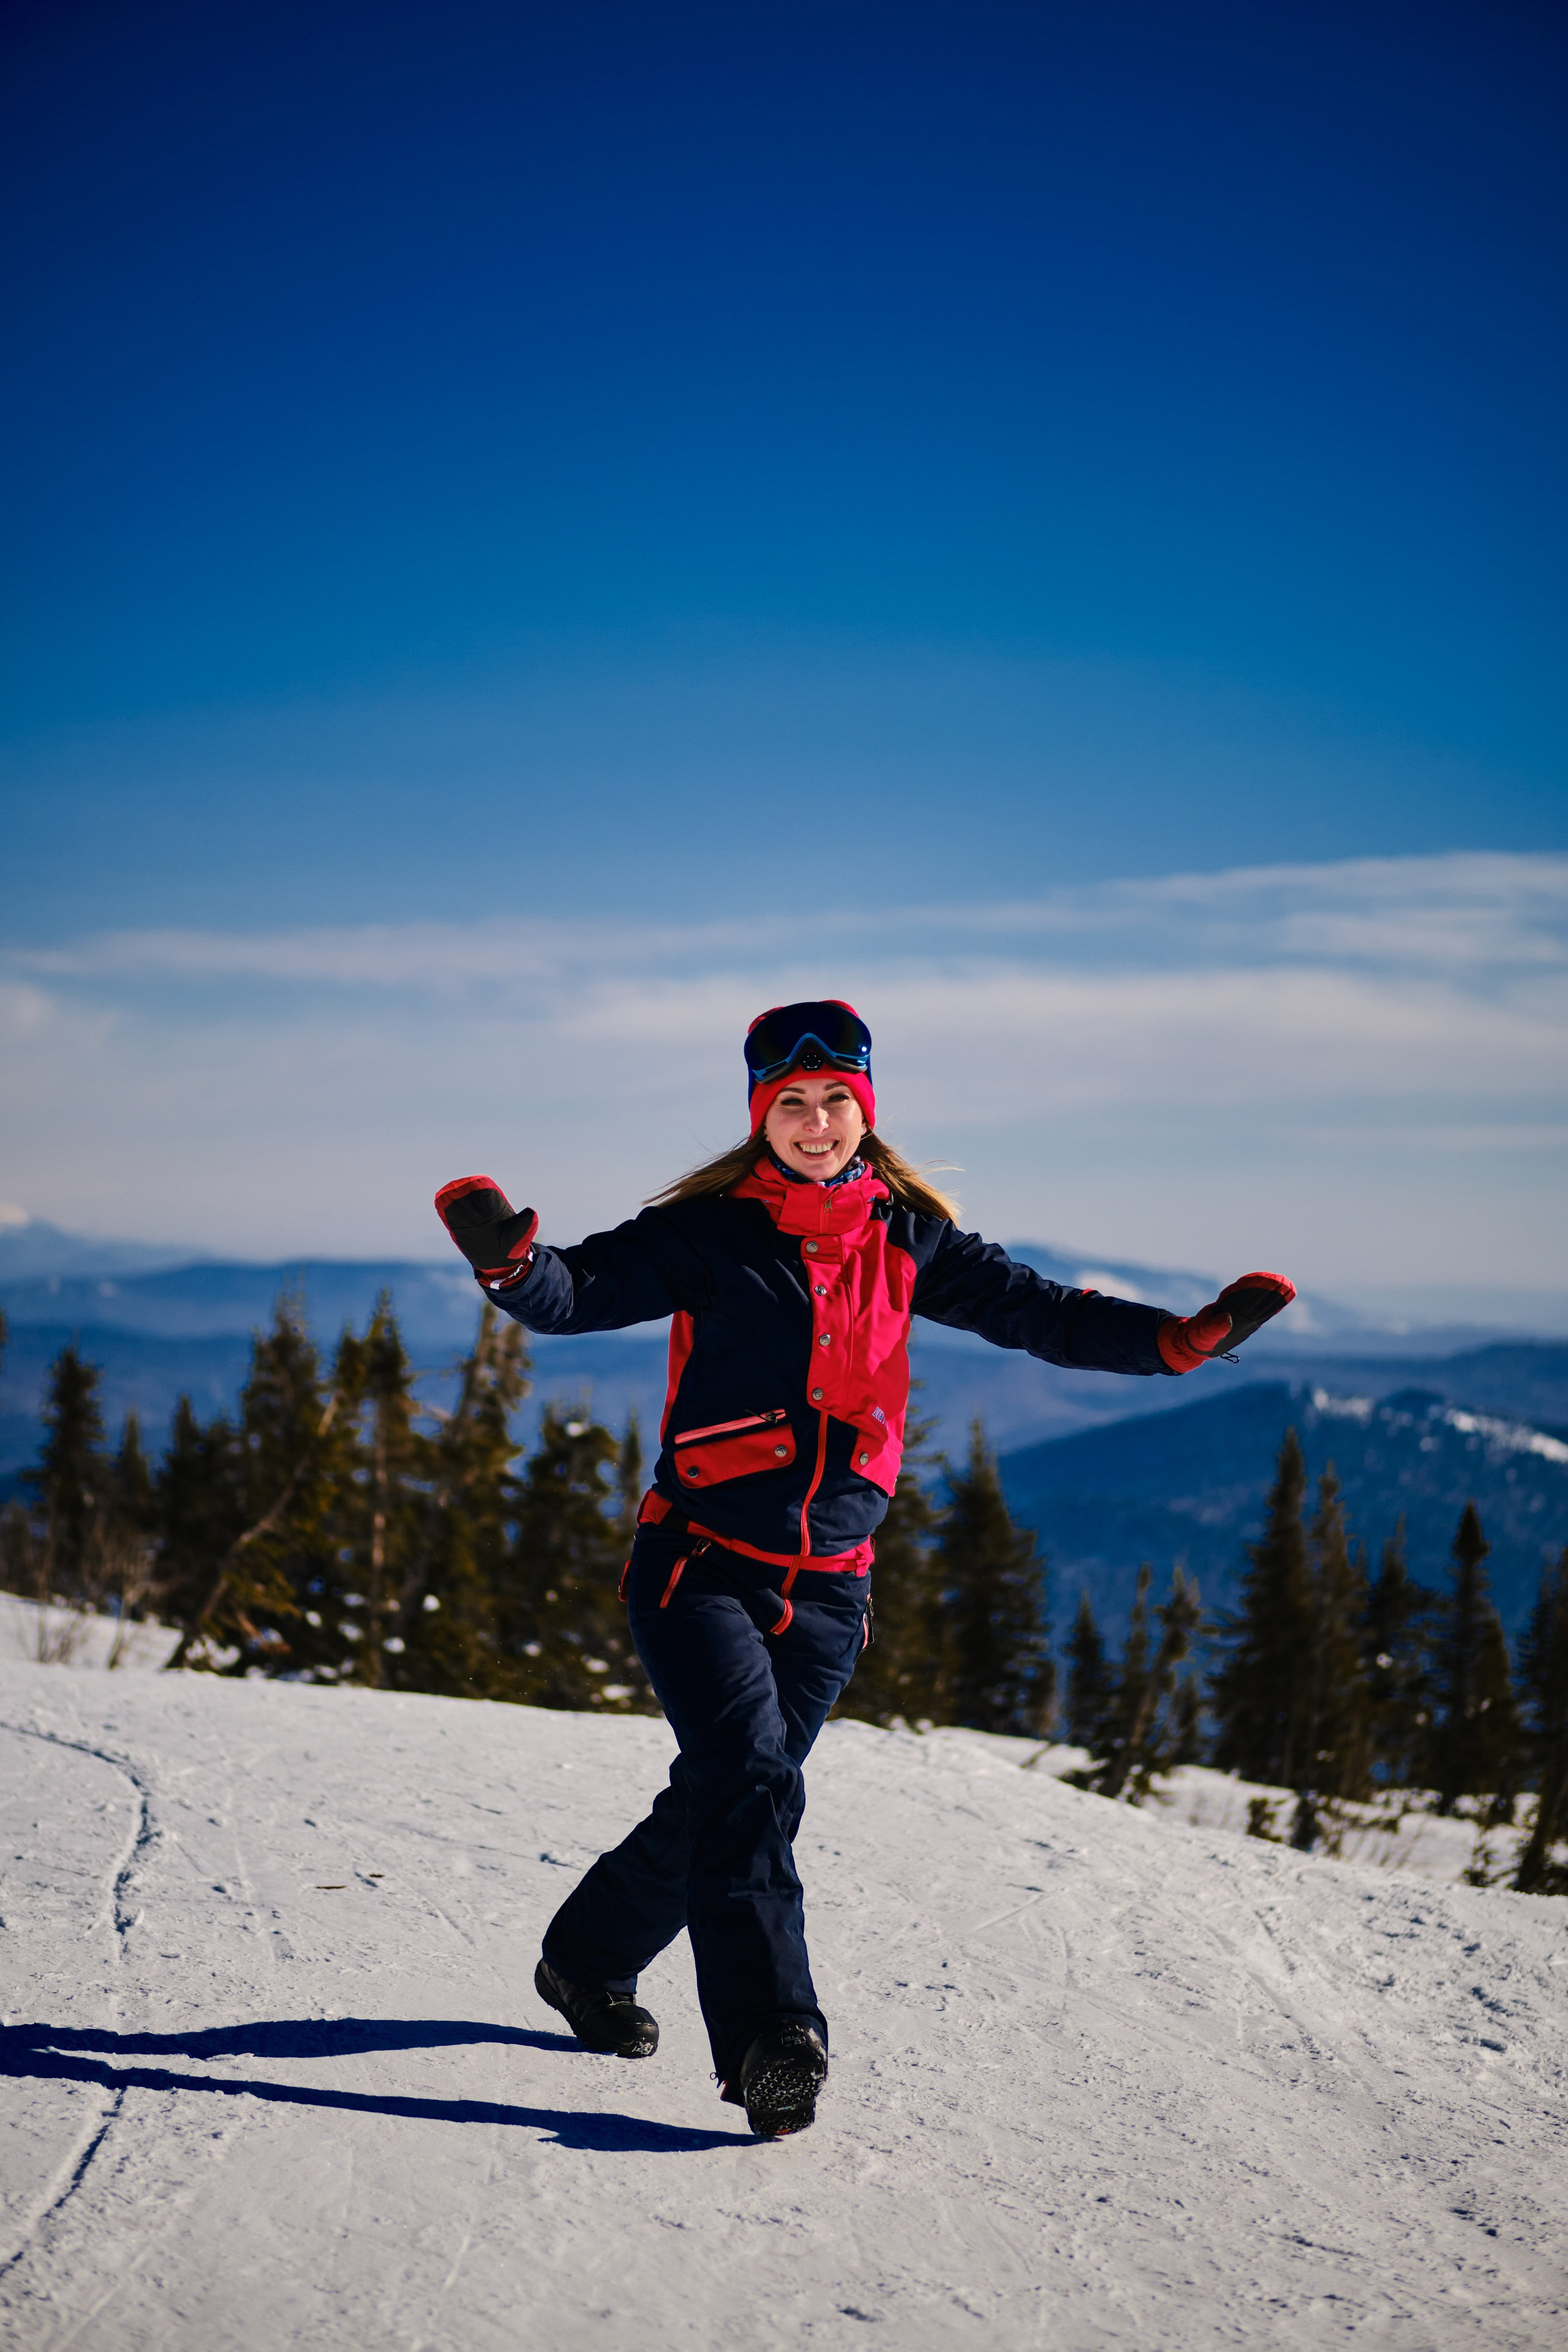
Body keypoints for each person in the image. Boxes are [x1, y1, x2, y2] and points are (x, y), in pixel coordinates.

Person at [434, 1000, 1294, 2139]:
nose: (816, 1120)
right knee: (751, 1784)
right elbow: (579, 1293)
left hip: (832, 1586)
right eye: (791, 1103)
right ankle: (773, 2041)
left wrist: (1176, 1342)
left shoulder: (908, 1233)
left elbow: (1044, 1315)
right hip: (699, 1564)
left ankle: (582, 1959)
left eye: (837, 1099)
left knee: (722, 1796)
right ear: (759, 1116)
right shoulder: (709, 1231)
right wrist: (510, 1265)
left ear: (867, 1109)